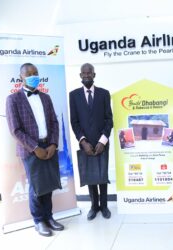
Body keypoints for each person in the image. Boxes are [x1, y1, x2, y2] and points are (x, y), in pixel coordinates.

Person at [6, 63, 64, 237]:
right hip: (31, 150)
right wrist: (35, 147)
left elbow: (54, 122)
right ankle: (39, 220)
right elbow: (15, 130)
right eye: (29, 73)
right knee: (37, 187)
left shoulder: (46, 97)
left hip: (49, 147)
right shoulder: (13, 99)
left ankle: (49, 217)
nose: (33, 76)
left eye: (36, 73)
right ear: (21, 77)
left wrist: (53, 144)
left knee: (49, 184)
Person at [69, 63, 113, 220]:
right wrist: (83, 141)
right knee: (90, 176)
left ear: (94, 75)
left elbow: (109, 119)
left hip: (102, 142)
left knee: (102, 175)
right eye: (84, 73)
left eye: (89, 73)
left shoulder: (104, 94)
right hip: (85, 143)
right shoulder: (73, 95)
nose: (86, 75)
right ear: (80, 75)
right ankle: (94, 207)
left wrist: (103, 141)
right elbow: (74, 122)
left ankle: (105, 206)